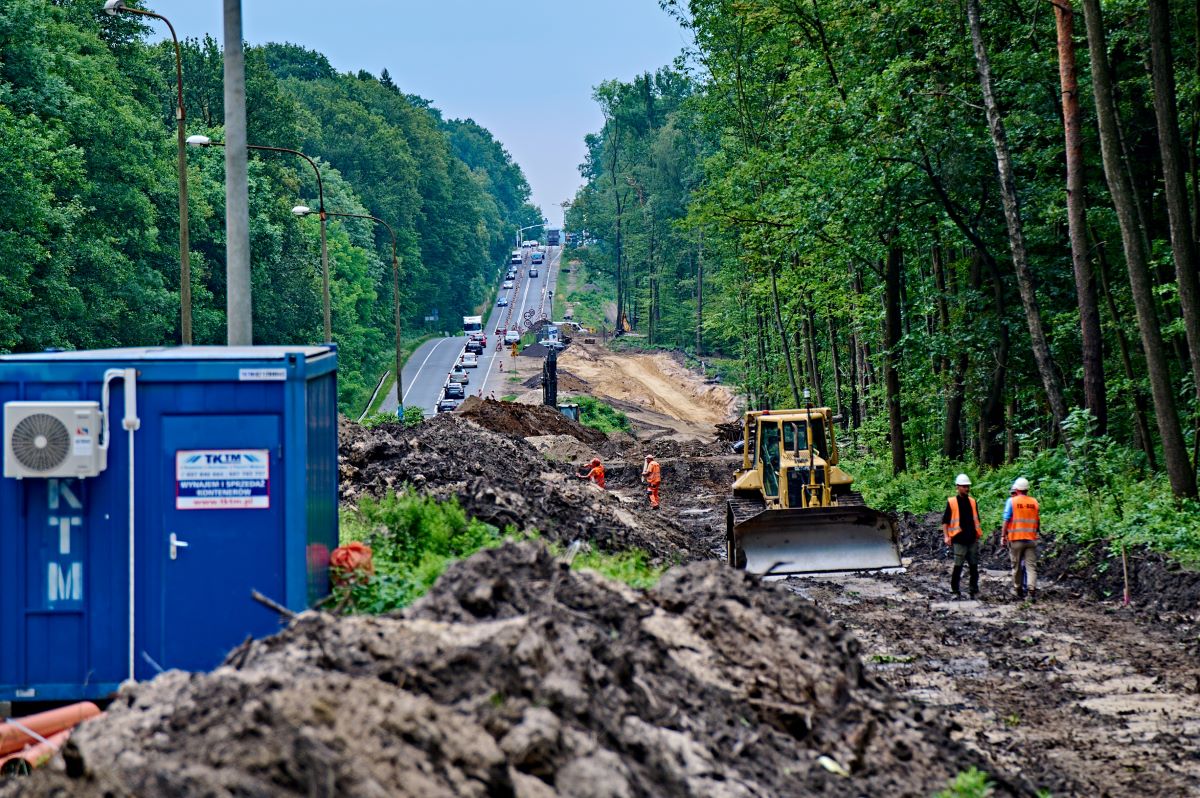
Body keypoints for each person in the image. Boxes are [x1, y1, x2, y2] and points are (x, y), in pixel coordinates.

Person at [940, 473, 981, 600]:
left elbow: (976, 520)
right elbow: (945, 522)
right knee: (958, 565)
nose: (966, 489)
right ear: (957, 487)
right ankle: (955, 589)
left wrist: (977, 534)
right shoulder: (952, 502)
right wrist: (946, 537)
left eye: (967, 486)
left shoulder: (973, 502)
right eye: (964, 486)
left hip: (971, 539)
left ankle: (973, 589)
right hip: (959, 539)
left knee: (974, 566)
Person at [1003, 476, 1040, 602]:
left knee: (1017, 566)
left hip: (1016, 539)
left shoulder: (1012, 501)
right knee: (1031, 567)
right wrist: (1037, 532)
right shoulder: (1034, 502)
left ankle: (1017, 589)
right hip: (1031, 539)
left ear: (1017, 489)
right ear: (1027, 490)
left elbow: (1006, 520)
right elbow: (1037, 520)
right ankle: (1031, 591)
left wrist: (1003, 536)